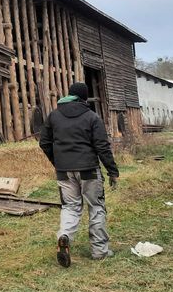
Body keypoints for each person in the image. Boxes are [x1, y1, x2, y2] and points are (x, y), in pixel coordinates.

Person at [39, 81, 119, 267]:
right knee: (96, 207)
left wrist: (58, 162)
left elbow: (44, 142)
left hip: (63, 171)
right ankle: (100, 251)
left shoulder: (54, 116)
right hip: (88, 170)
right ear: (84, 97)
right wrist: (112, 171)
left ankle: (64, 236)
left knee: (70, 207)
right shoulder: (92, 117)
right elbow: (102, 147)